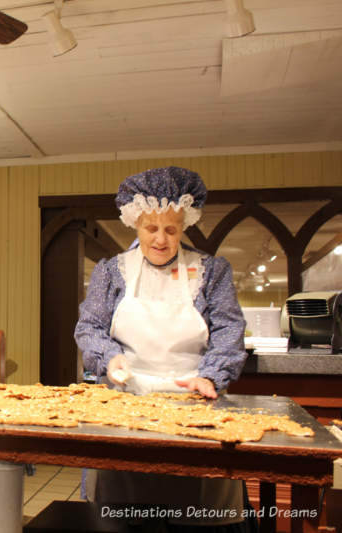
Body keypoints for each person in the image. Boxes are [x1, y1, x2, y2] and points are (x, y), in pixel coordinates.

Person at [74, 166, 251, 532]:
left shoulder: (211, 271)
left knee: (200, 511)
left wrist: (211, 375)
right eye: (150, 228)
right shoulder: (112, 272)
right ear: (134, 223)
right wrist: (111, 360)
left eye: (170, 229)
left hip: (195, 403)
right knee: (122, 514)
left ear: (184, 224)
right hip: (125, 401)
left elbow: (229, 330)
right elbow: (89, 327)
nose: (160, 239)